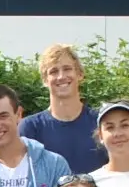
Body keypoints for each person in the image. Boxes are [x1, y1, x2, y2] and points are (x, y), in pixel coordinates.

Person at [20, 45, 107, 173]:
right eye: (53, 71)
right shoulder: (30, 128)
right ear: (45, 80)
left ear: (80, 74)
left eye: (67, 69)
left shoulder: (101, 122)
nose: (61, 76)